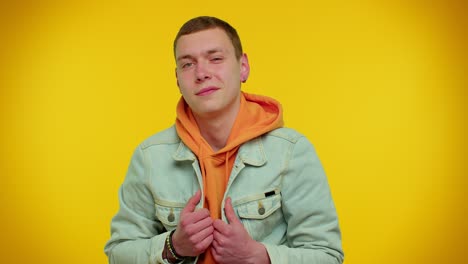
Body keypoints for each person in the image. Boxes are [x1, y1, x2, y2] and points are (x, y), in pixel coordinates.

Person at [104, 16, 344, 264]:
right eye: (187, 64)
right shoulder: (149, 157)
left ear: (243, 67)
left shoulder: (291, 152)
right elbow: (118, 254)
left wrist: (258, 256)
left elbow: (327, 256)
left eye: (215, 59)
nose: (201, 73)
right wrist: (173, 246)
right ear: (177, 79)